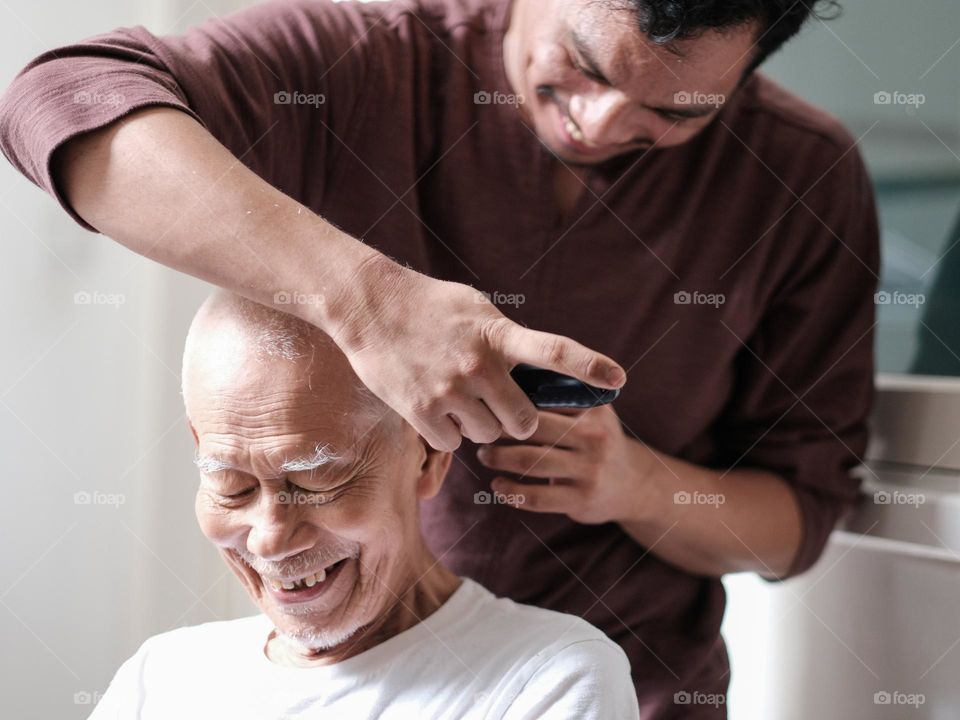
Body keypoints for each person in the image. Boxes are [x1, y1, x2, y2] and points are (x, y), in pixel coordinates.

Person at [0, 1, 879, 715]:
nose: (603, 122)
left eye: (677, 109)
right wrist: (367, 300)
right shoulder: (362, 68)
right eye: (584, 61)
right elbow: (62, 96)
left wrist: (636, 484)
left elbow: (797, 517)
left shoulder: (803, 181)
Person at [90, 290, 640, 719]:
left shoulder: (549, 678)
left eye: (316, 482)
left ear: (427, 454)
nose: (270, 538)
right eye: (232, 486)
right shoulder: (161, 677)